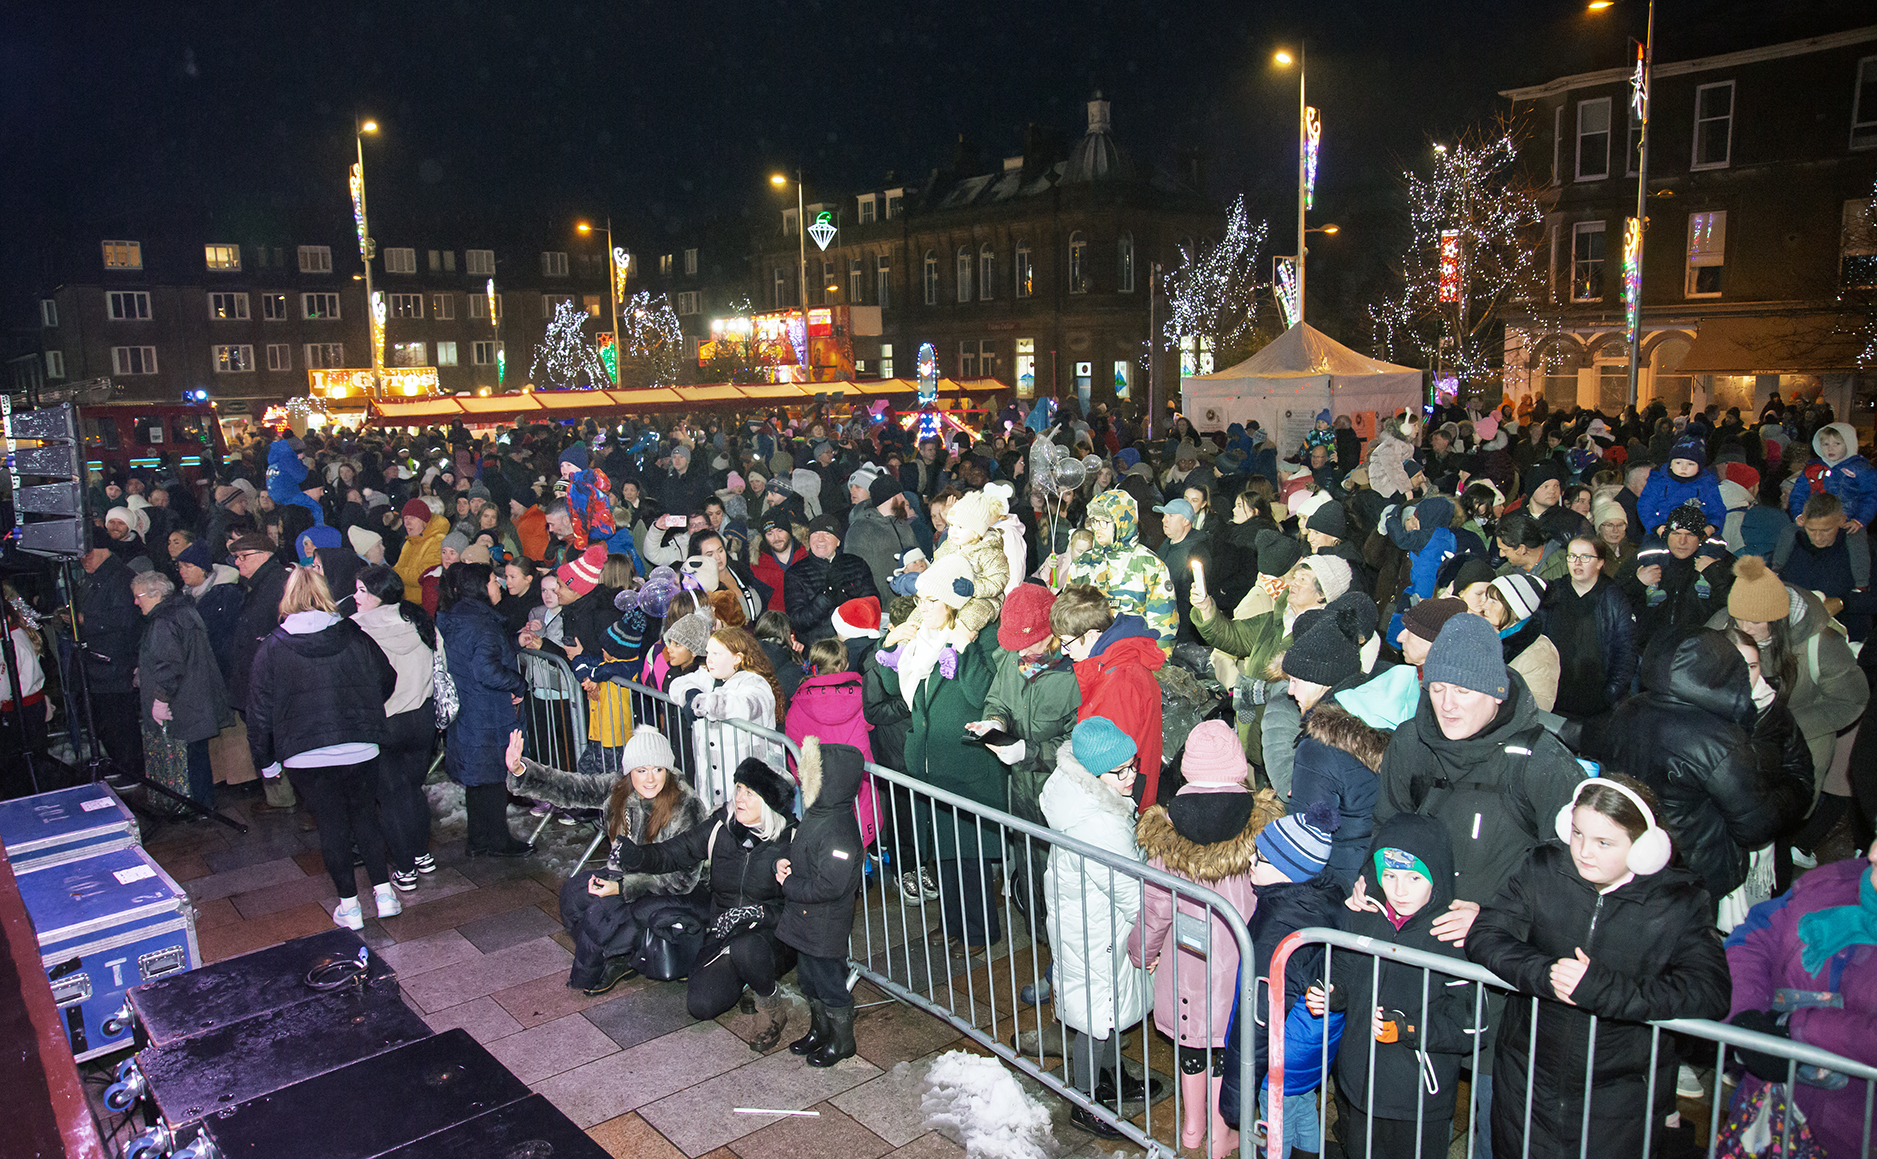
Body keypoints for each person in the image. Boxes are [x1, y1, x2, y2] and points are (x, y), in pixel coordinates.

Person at [1372, 612, 1588, 1156]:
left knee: (1499, 1117)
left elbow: (1576, 873)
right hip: (1422, 959)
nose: (1447, 704)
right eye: (1438, 687)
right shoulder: (1410, 744)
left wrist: (1496, 917)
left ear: (1496, 693)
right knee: (1414, 1106)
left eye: (1464, 690)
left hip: (1503, 976)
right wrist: (1370, 883)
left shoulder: (1541, 761)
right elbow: (1385, 829)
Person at [1467, 776, 1733, 1159]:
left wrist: (1601, 990)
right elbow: (1487, 934)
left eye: (1603, 842)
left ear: (1645, 848)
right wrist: (1546, 974)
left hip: (1620, 1097)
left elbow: (1710, 991)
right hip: (1527, 1079)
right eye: (1576, 834)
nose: (1583, 852)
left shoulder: (1680, 903)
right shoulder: (1543, 868)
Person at [1574, 625, 1812, 911]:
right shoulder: (1717, 740)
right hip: (1694, 870)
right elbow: (1755, 824)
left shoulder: (1630, 708)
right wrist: (1797, 786)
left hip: (1639, 855)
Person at [1129, 721, 1284, 1158]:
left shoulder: (1166, 827)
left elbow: (1156, 905)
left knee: (1190, 1041)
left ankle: (1192, 1128)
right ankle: (1221, 1132)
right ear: (1237, 766)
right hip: (1241, 961)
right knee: (1224, 1046)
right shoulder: (1261, 825)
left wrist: (1143, 951)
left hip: (1185, 960)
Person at [1310, 814, 1475, 1159]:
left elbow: (1472, 1026)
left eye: (1414, 878)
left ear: (1437, 877)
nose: (1399, 890)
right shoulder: (1364, 915)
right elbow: (1343, 970)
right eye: (1390, 875)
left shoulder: (1452, 937)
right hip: (1358, 1086)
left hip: (1416, 1100)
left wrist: (1408, 1027)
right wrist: (1331, 992)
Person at [246, 567, 400, 930]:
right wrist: (363, 710)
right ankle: (385, 895)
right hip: (360, 746)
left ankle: (350, 906)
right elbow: (387, 678)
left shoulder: (272, 648)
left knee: (331, 825)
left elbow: (259, 710)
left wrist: (266, 761)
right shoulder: (354, 635)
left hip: (305, 752)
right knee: (365, 817)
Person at [506, 728, 713, 995]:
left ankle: (616, 957)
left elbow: (683, 879)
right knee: (575, 894)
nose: (650, 779)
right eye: (641, 771)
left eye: (658, 770)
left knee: (606, 915)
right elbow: (571, 786)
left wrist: (623, 888)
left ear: (668, 770)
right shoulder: (618, 788)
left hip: (681, 890)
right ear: (629, 772)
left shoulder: (686, 804)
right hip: (630, 873)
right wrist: (522, 770)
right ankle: (622, 954)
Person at [874, 560, 1007, 956]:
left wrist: (962, 649)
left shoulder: (978, 639)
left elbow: (982, 694)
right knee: (941, 852)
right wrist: (891, 645)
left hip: (964, 765)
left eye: (932, 600)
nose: (923, 606)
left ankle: (981, 933)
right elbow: (892, 687)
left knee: (969, 857)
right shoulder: (921, 642)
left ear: (951, 603)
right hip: (929, 762)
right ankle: (951, 923)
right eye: (920, 598)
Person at [1036, 717, 1161, 1138]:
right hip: (1096, 930)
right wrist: (1153, 933)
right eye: (1120, 771)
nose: (1131, 778)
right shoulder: (1099, 822)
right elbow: (1129, 892)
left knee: (1105, 1009)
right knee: (1096, 1015)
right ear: (1093, 774)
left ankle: (1111, 1080)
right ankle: (1085, 1101)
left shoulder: (1081, 797)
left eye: (1133, 766)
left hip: (1090, 924)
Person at [611, 757, 799, 1025]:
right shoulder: (720, 828)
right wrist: (636, 856)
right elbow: (674, 852)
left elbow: (804, 906)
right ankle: (745, 978)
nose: (740, 799)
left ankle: (769, 1000)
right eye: (739, 789)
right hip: (723, 933)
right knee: (701, 1005)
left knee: (746, 948)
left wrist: (756, 913)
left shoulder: (792, 841)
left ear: (769, 804)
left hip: (772, 938)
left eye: (750, 793)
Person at [1724, 836, 1877, 1159]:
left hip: (1852, 1133)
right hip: (1765, 1112)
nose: (1874, 853)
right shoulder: (1830, 883)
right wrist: (1746, 1016)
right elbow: (1752, 939)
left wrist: (1797, 1027)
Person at [1723, 554, 1869, 862]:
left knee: (1783, 818)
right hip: (1741, 734)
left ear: (1778, 618)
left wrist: (1785, 723)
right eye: (1740, 619)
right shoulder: (1727, 624)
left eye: (1757, 621)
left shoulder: (1820, 643)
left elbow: (1851, 700)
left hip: (1804, 732)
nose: (1745, 627)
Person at [775, 738, 868, 1066]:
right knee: (809, 979)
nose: (804, 782)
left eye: (812, 776)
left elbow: (829, 885)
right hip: (806, 919)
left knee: (829, 984)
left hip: (825, 924)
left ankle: (842, 1041)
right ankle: (820, 1030)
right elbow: (803, 851)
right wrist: (785, 863)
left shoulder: (840, 831)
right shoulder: (818, 815)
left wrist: (789, 884)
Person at [351, 564, 440, 890]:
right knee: (412, 790)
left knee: (390, 797)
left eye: (362, 591)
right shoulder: (418, 619)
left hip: (383, 721)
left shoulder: (355, 629)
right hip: (421, 718)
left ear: (378, 594)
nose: (356, 597)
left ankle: (405, 869)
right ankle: (421, 855)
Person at [435, 561, 531, 857]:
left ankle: (478, 839)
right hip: (487, 711)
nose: (498, 585)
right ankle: (497, 841)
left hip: (469, 709)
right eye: (492, 580)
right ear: (479, 587)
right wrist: (518, 683)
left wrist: (512, 643)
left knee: (478, 782)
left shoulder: (458, 617)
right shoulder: (483, 622)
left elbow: (475, 653)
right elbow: (486, 669)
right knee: (492, 779)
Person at [1051, 583, 1166, 810]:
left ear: (1092, 635)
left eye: (1067, 642)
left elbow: (1113, 766)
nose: (1063, 651)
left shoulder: (1120, 682)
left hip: (1120, 803)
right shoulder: (1111, 666)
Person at [131, 571, 233, 810]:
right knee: (197, 756)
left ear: (155, 595)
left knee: (189, 759)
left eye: (138, 596)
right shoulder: (183, 610)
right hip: (197, 699)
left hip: (183, 703)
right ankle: (202, 806)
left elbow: (168, 664)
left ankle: (196, 807)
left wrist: (160, 699)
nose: (136, 602)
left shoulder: (164, 621)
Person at [668, 626, 788, 807]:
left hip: (747, 787)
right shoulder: (708, 677)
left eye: (717, 654)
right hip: (710, 786)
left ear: (737, 658)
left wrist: (703, 703)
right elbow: (676, 685)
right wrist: (691, 693)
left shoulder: (755, 682)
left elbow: (746, 705)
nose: (709, 660)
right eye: (708, 653)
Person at [1066, 490, 1177, 648]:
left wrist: (1158, 667)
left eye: (1105, 521)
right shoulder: (1082, 564)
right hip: (1089, 658)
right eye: (1095, 521)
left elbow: (1163, 626)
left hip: (1133, 658)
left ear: (1122, 523)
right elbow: (1068, 614)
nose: (1098, 527)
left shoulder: (1150, 565)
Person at [1542, 536, 1637, 720]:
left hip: (1598, 705)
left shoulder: (1613, 598)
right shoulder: (1553, 593)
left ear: (1600, 562)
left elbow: (1626, 650)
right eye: (1572, 556)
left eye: (1585, 557)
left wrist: (1611, 693)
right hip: (1556, 700)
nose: (1577, 563)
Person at [75, 531, 145, 778]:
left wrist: (86, 620)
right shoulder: (91, 578)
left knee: (121, 720)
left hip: (116, 661)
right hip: (97, 662)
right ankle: (119, 762)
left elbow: (126, 619)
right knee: (105, 719)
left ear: (104, 550)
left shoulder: (120, 577)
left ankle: (132, 769)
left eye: (88, 553)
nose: (84, 559)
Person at [783, 514, 881, 643]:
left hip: (855, 643)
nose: (821, 539)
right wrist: (826, 597)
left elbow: (873, 604)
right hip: (820, 649)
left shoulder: (856, 564)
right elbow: (796, 621)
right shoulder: (795, 573)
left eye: (827, 534)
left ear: (838, 541)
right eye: (816, 533)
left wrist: (846, 599)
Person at [1481, 573, 1559, 713]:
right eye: (1487, 598)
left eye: (1493, 601)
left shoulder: (1540, 653)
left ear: (1515, 610)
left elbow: (1537, 707)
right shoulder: (1484, 637)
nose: (1484, 605)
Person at [393, 498, 448, 604]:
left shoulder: (437, 541)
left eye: (413, 518)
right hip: (406, 602)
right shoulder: (409, 542)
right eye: (405, 518)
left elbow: (424, 576)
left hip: (424, 605)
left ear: (424, 521)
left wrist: (396, 572)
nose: (407, 523)